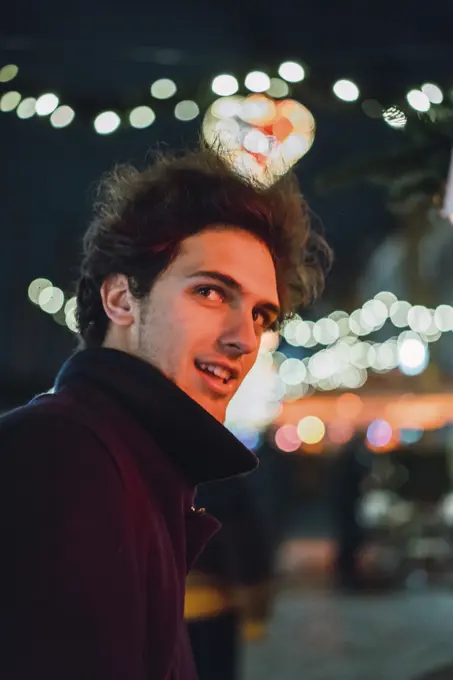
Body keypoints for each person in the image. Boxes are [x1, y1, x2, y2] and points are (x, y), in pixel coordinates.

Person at [0, 146, 331, 680]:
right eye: (210, 292)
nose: (243, 338)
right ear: (121, 300)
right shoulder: (60, 454)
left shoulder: (139, 462)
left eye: (261, 316)